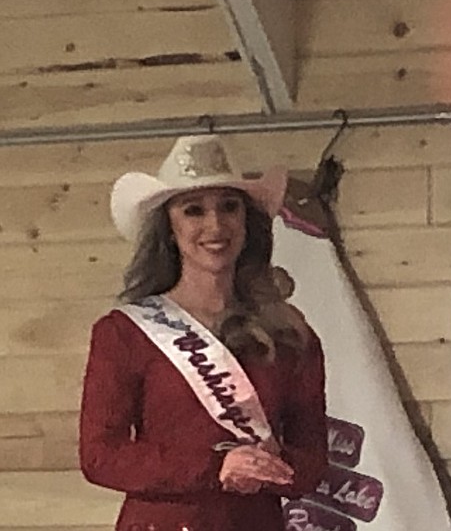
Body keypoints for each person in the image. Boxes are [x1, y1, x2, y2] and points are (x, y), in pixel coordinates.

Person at [79, 134, 328, 531]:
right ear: (170, 229)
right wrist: (215, 468)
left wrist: (274, 466)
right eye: (194, 210)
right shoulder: (125, 333)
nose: (215, 225)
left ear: (247, 221)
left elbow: (312, 462)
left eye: (229, 207)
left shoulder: (289, 334)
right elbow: (101, 456)